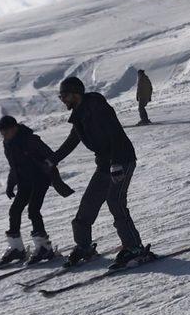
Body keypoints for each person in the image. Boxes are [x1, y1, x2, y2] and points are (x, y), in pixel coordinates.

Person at [46, 77, 146, 269]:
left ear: (76, 93)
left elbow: (115, 134)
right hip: (103, 165)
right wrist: (54, 158)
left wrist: (116, 163)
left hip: (122, 160)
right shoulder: (79, 114)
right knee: (89, 204)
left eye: (64, 96)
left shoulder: (98, 107)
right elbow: (73, 140)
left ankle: (135, 247)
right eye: (61, 97)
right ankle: (84, 246)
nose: (63, 100)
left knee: (115, 201)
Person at [0, 115, 74, 266]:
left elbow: (51, 155)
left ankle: (44, 248)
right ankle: (17, 249)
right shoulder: (8, 144)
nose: (3, 135)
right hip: (24, 182)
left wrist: (46, 166)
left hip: (40, 179)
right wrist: (10, 184)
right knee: (15, 210)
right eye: (2, 133)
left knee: (33, 210)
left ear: (14, 128)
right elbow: (14, 167)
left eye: (5, 131)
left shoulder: (30, 139)